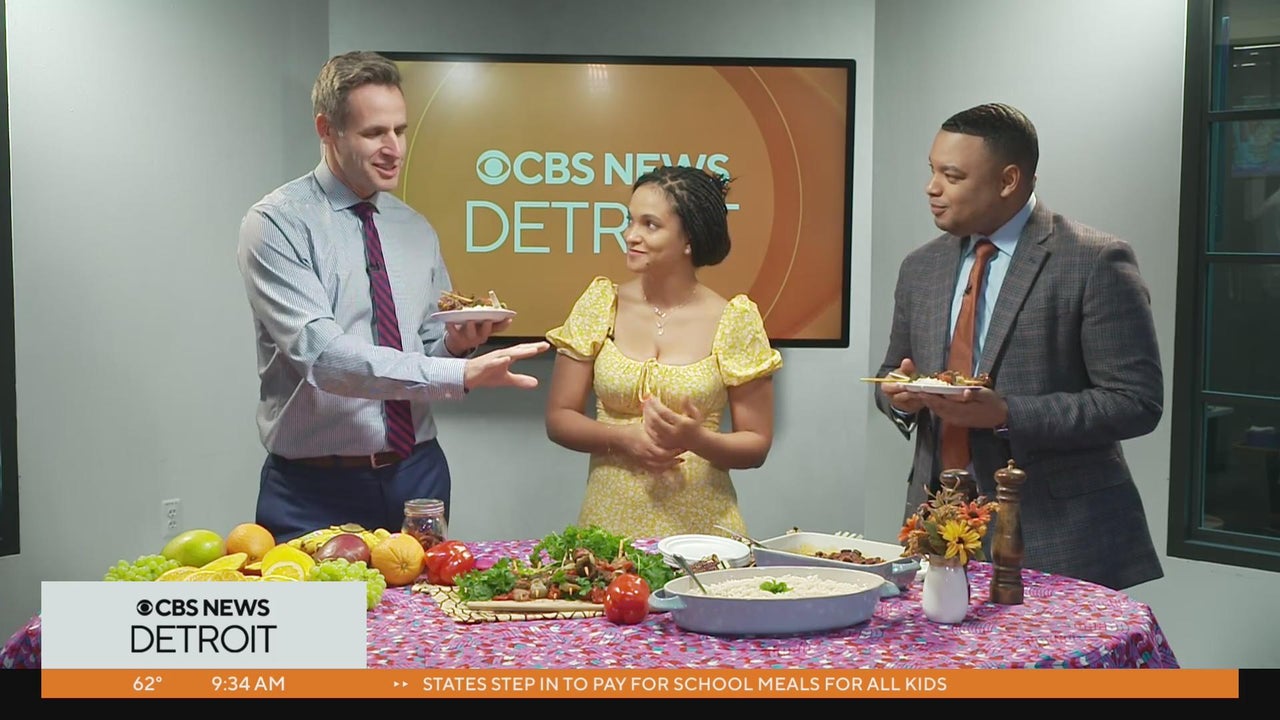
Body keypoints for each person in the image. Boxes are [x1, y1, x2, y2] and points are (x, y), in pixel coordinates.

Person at [237, 51, 549, 542]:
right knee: (317, 599)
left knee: (429, 596)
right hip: (312, 488)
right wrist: (459, 373)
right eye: (374, 133)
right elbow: (325, 358)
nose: (395, 148)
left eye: (400, 131)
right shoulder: (277, 223)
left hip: (417, 474)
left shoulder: (414, 227)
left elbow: (423, 344)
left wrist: (457, 344)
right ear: (327, 130)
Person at [873, 103, 1164, 590]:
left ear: (1008, 180)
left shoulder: (1093, 261)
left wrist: (1006, 414)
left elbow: (1135, 403)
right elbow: (891, 373)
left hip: (1059, 534)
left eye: (952, 175)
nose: (932, 188)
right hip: (937, 529)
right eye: (932, 170)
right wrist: (899, 396)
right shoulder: (920, 268)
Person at [544, 166, 782, 538]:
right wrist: (624, 438)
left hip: (703, 536)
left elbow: (756, 444)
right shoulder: (601, 303)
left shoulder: (735, 318)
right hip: (608, 531)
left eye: (650, 225)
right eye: (630, 221)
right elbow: (559, 419)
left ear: (689, 239)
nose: (630, 235)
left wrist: (697, 440)